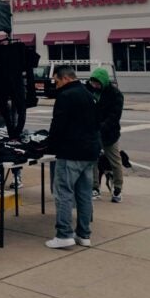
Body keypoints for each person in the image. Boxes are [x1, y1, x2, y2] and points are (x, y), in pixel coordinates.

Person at [45, 66, 101, 249]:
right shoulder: (88, 94)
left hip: (70, 152)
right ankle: (84, 235)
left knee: (63, 193)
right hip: (90, 151)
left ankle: (64, 235)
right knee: (84, 195)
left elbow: (58, 124)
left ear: (66, 79)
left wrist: (49, 146)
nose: (56, 85)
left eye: (57, 81)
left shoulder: (65, 96)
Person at [87, 67, 124, 202]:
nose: (95, 85)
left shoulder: (115, 94)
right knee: (93, 161)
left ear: (103, 81)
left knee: (115, 161)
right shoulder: (90, 91)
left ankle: (117, 189)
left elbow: (114, 116)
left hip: (109, 133)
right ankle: (95, 187)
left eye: (97, 83)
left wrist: (101, 127)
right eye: (93, 83)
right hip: (94, 133)